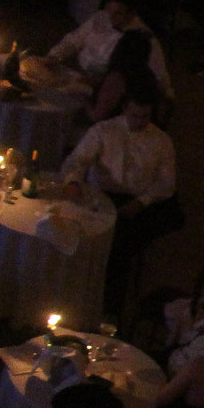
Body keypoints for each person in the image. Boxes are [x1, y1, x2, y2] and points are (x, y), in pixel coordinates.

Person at [60, 81, 182, 314]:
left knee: (120, 250)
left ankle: (108, 308)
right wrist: (74, 182)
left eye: (145, 116)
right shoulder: (103, 131)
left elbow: (167, 184)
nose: (140, 122)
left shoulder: (162, 142)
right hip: (100, 198)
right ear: (125, 108)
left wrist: (140, 203)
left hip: (137, 203)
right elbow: (77, 161)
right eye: (135, 115)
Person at [47, 0, 171, 96]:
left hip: (107, 91)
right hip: (79, 75)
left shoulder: (143, 39)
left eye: (118, 14)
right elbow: (74, 40)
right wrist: (55, 56)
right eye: (109, 11)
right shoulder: (100, 17)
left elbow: (158, 78)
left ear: (132, 13)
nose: (110, 18)